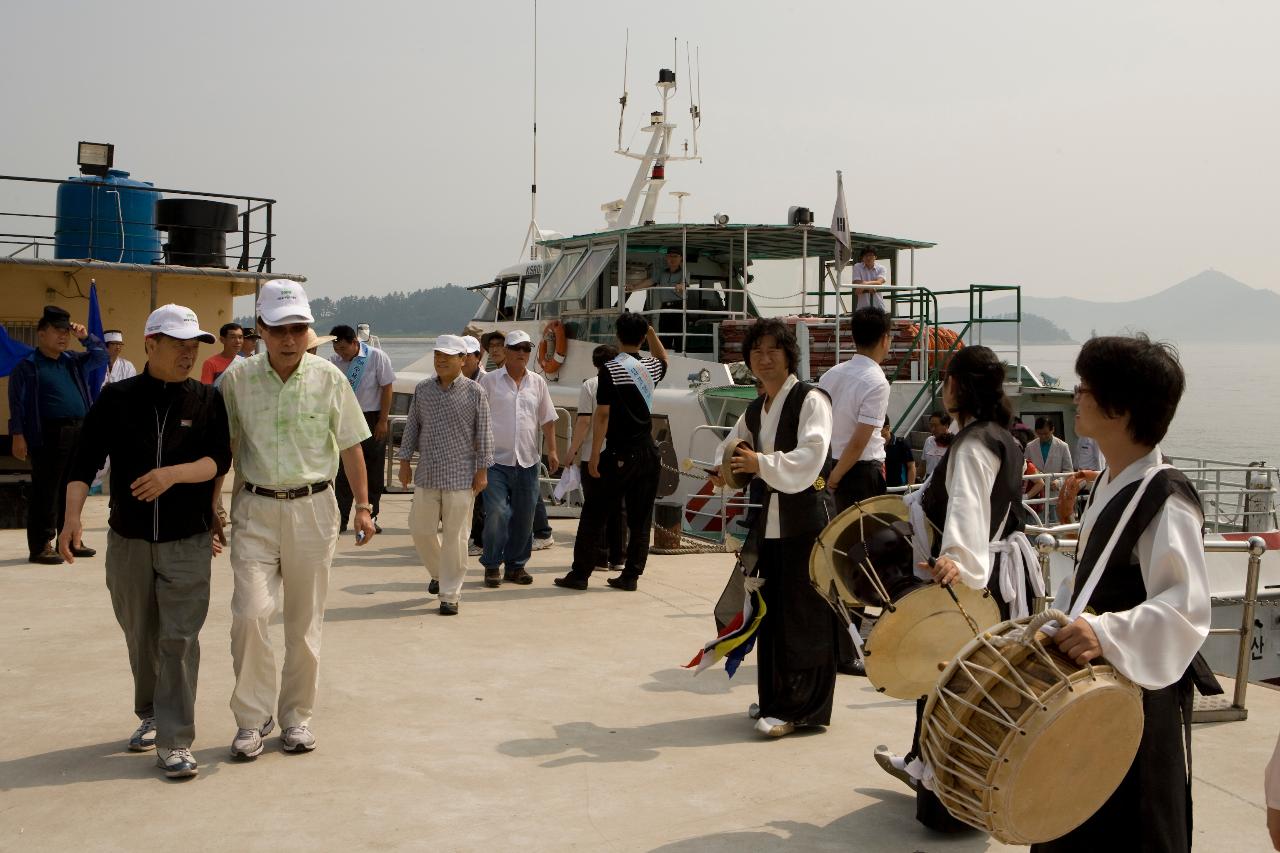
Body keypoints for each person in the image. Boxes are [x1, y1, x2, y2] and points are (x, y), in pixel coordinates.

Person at [1030, 336, 1211, 852]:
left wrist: (1103, 630)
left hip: (1134, 699)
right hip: (1097, 685)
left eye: (1086, 388)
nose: (1076, 397)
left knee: (1132, 824)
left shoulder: (1165, 496)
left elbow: (1186, 606)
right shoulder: (1113, 478)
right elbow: (1091, 575)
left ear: (1122, 407)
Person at [59, 304, 231, 779]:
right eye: (178, 343)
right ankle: (150, 713)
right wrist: (72, 520)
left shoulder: (207, 399)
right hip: (129, 539)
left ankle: (176, 739)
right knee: (141, 635)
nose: (188, 353)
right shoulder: (116, 399)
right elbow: (83, 462)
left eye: (194, 344)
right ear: (150, 344)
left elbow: (218, 460)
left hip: (187, 540)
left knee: (179, 638)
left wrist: (172, 475)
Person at [873, 345, 1030, 832]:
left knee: (950, 690)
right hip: (995, 581)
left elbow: (967, 512)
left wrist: (956, 566)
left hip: (968, 586)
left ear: (961, 386)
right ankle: (936, 775)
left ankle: (949, 805)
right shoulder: (1002, 437)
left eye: (947, 380)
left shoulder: (971, 446)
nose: (943, 388)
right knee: (979, 693)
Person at [219, 280, 375, 760]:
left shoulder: (329, 378)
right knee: (250, 613)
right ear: (260, 329)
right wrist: (213, 504)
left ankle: (296, 718)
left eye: (299, 328)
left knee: (304, 623)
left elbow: (351, 445)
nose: (291, 338)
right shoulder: (236, 381)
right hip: (256, 508)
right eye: (281, 329)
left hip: (314, 508)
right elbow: (224, 449)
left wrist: (364, 507)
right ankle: (251, 719)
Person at [706, 318, 836, 737]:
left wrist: (759, 463)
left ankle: (802, 708)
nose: (764, 359)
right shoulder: (755, 408)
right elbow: (731, 444)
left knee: (804, 615)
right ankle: (776, 698)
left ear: (788, 355)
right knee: (772, 613)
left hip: (805, 522)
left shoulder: (811, 399)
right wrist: (723, 467)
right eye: (756, 352)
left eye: (772, 351)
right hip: (771, 521)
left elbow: (811, 456)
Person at [554, 312, 667, 592]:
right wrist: (650, 332)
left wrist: (594, 455)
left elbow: (602, 415)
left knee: (594, 515)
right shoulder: (651, 367)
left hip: (618, 452)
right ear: (642, 337)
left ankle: (580, 574)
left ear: (617, 336)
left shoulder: (610, 369)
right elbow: (663, 359)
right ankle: (630, 576)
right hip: (647, 452)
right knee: (640, 520)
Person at [397, 335, 493, 616]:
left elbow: (484, 433)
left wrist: (483, 470)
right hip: (428, 472)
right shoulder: (423, 389)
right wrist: (403, 461)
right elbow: (412, 426)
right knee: (420, 529)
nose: (441, 360)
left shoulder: (476, 392)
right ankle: (440, 572)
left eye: (448, 356)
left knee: (457, 537)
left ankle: (449, 593)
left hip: (461, 475)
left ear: (463, 360)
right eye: (438, 355)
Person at [8, 305, 107, 564]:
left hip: (79, 430)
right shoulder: (28, 366)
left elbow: (100, 357)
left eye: (66, 332)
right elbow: (16, 403)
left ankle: (72, 540)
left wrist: (85, 337)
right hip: (49, 433)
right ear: (41, 334)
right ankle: (41, 545)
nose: (63, 336)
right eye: (57, 331)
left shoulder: (73, 360)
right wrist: (17, 434)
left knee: (73, 488)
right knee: (47, 490)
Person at [477, 330, 559, 587]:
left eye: (526, 348)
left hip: (527, 461)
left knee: (525, 516)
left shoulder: (538, 382)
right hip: (495, 460)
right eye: (517, 348)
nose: (523, 353)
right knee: (498, 512)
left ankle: (516, 566)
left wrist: (553, 451)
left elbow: (547, 419)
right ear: (507, 351)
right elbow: (477, 419)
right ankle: (492, 564)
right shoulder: (489, 382)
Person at [820, 307, 892, 512]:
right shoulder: (877, 382)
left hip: (828, 464)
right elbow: (860, 441)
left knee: (833, 535)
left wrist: (830, 476)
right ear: (885, 339)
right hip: (861, 472)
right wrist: (835, 479)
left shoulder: (830, 375)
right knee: (866, 538)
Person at [564, 344, 626, 572]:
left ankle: (600, 556)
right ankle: (618, 557)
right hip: (620, 454)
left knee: (595, 506)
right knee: (618, 506)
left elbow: (584, 421)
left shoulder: (590, 385)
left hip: (594, 452)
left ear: (595, 364)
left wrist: (572, 451)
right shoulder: (624, 384)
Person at [329, 324, 396, 534]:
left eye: (344, 349)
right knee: (343, 471)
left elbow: (387, 387)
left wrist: (383, 420)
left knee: (373, 469)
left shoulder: (377, 357)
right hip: (346, 417)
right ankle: (341, 518)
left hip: (372, 417)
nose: (341, 353)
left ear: (355, 343)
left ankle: (371, 516)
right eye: (337, 349)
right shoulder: (333, 362)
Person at [851, 247, 888, 311]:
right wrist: (870, 287)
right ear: (862, 258)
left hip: (878, 306)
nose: (868, 258)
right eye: (866, 255)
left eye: (871, 255)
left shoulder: (881, 268)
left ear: (875, 257)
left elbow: (879, 282)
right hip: (862, 307)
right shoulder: (857, 266)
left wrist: (864, 285)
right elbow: (857, 282)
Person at [883, 420, 916, 490]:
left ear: (887, 428)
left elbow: (911, 467)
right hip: (882, 489)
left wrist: (909, 489)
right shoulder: (875, 446)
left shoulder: (901, 444)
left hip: (900, 489)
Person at [919, 411, 951, 481]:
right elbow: (923, 465)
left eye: (936, 426)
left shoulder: (954, 443)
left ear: (946, 425)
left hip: (945, 482)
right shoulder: (929, 441)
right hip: (929, 482)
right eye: (931, 426)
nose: (933, 429)